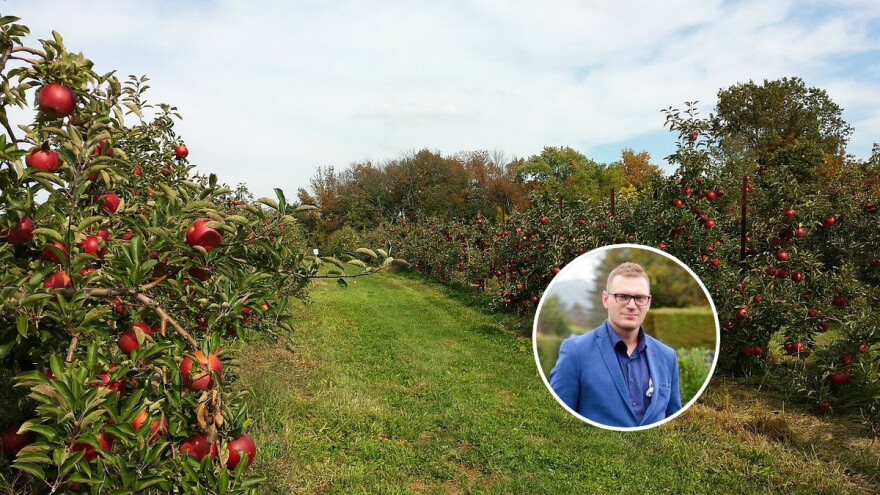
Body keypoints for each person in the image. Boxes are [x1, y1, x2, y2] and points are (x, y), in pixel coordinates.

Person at [549, 261, 681, 427]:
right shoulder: (576, 352)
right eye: (622, 297)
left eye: (639, 298)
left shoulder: (667, 356)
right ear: (606, 299)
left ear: (648, 302)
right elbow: (556, 421)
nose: (631, 305)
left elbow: (674, 422)